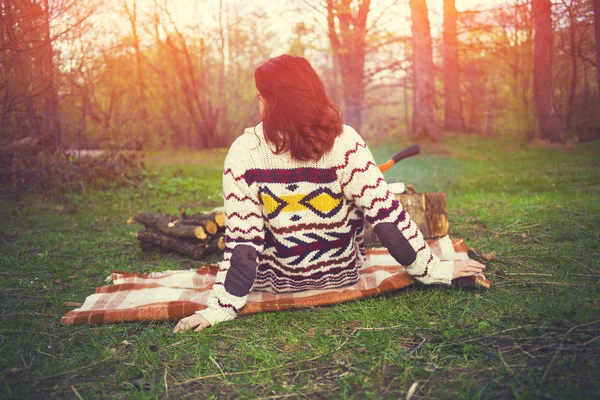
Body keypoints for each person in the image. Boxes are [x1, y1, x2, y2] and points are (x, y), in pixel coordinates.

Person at [174, 55, 485, 333]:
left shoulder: (244, 152)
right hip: (341, 274)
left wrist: (221, 306)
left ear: (273, 101)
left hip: (275, 281)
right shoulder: (346, 142)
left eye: (261, 97)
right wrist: (434, 269)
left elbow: (244, 241)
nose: (259, 104)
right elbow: (387, 216)